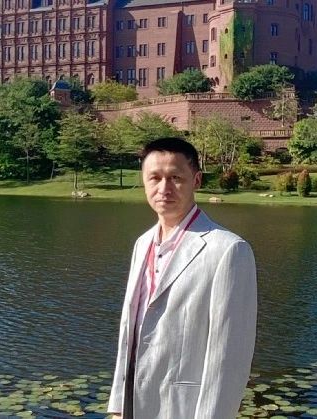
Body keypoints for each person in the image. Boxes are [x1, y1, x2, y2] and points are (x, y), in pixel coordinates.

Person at [108, 138, 257, 419]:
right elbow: (129, 332)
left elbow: (230, 357)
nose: (164, 188)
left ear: (196, 180)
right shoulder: (142, 243)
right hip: (134, 407)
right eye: (154, 178)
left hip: (184, 409)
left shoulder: (228, 250)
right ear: (144, 181)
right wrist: (118, 407)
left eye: (175, 178)